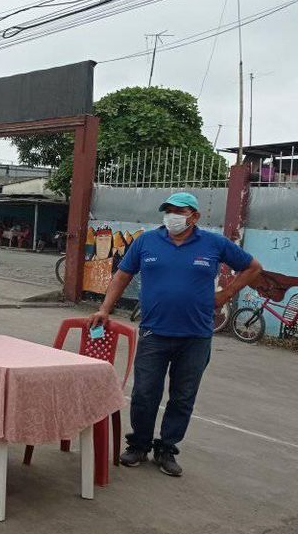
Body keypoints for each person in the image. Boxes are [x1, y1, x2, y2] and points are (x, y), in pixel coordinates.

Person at [90, 192, 262, 477]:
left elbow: (253, 267)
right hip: (154, 332)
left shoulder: (214, 243)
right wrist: (105, 309)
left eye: (179, 211)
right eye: (168, 210)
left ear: (194, 216)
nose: (172, 216)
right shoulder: (146, 241)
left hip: (196, 336)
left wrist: (226, 294)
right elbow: (122, 275)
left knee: (183, 397)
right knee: (145, 393)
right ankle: (139, 445)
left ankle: (167, 449)